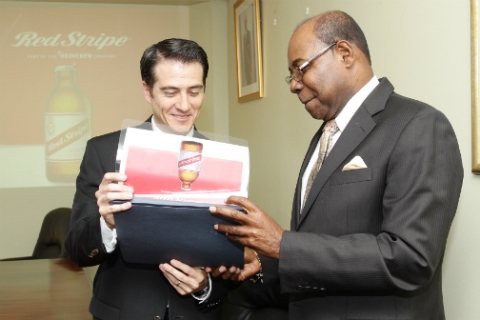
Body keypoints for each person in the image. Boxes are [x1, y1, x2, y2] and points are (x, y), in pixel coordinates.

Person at [208, 10, 463, 320]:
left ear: (344, 53)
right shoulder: (326, 135)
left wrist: (283, 246)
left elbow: (410, 258)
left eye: (300, 68)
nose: (294, 85)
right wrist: (269, 260)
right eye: (292, 75)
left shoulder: (419, 126)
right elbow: (326, 243)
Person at [66, 38, 229, 320]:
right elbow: (77, 251)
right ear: (147, 91)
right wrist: (107, 222)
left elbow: (233, 257)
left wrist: (206, 286)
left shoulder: (224, 161)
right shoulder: (104, 152)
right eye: (170, 92)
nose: (184, 104)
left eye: (195, 91)